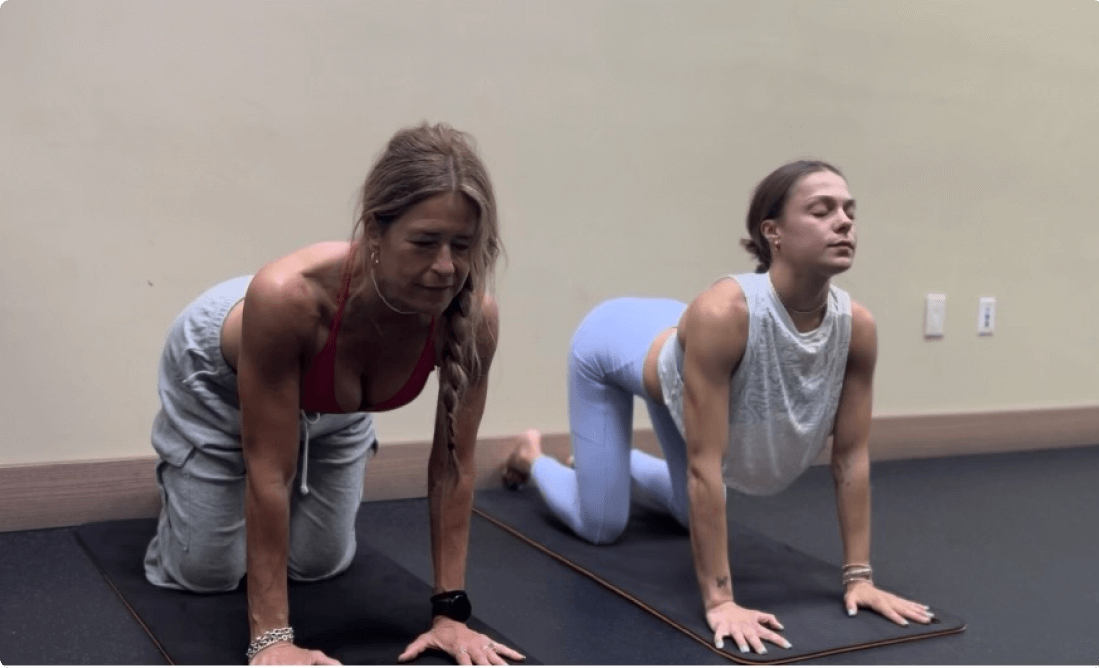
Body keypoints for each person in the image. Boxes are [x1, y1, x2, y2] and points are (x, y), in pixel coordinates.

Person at [503, 160, 934, 655]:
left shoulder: (857, 326)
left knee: (697, 518)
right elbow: (707, 464)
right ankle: (532, 456)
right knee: (603, 524)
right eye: (822, 210)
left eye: (849, 211)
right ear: (772, 232)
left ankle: (606, 462)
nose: (844, 222)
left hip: (687, 353)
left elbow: (851, 456)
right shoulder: (722, 314)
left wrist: (859, 577)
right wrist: (720, 601)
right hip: (611, 347)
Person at [144, 122, 523, 666]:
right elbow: (269, 471)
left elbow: (454, 466)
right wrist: (271, 639)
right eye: (423, 242)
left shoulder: (472, 315)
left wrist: (450, 615)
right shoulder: (286, 296)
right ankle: (192, 481)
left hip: (333, 402)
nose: (446, 267)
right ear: (374, 229)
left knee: (321, 564)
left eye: (462, 246)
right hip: (225, 375)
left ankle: (253, 494)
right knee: (204, 573)